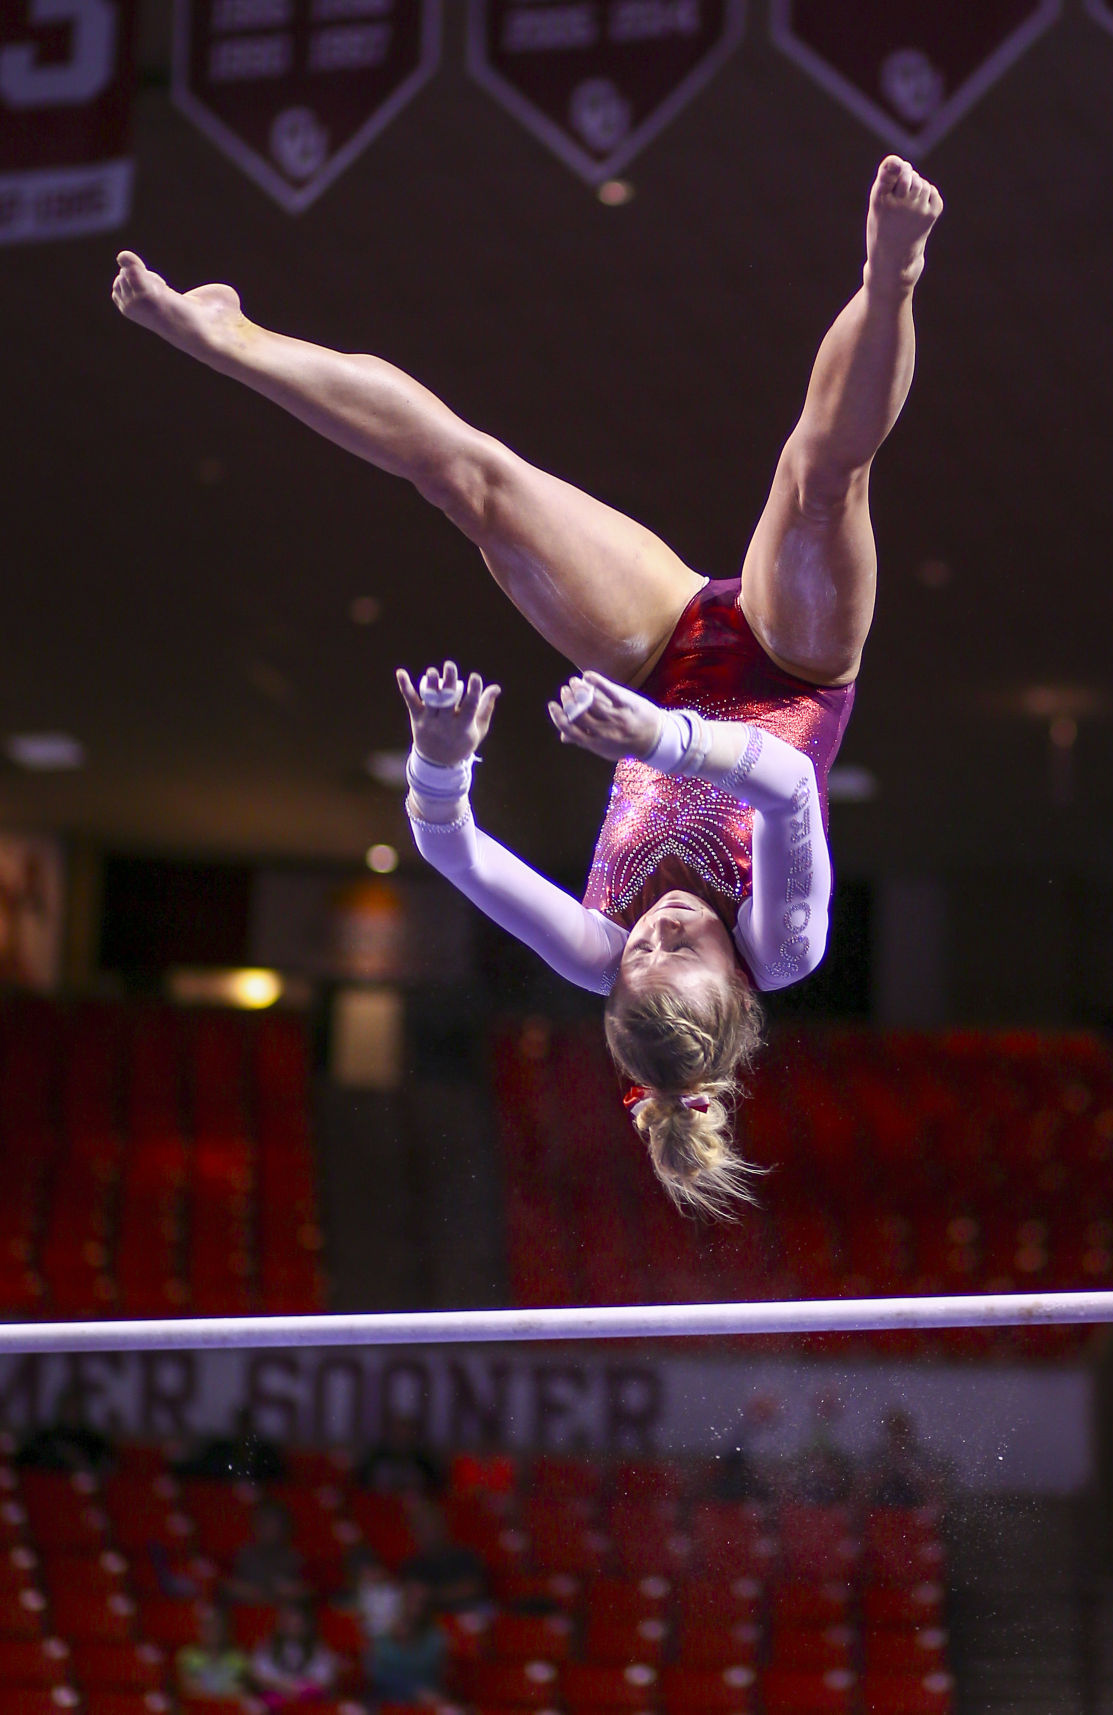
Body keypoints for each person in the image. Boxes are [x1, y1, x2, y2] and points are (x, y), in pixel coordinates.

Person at [111, 157, 942, 1215]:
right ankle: (893, 271)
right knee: (821, 479)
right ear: (737, 989)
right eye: (678, 945)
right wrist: (661, 741)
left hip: (661, 655)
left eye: (641, 946)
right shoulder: (785, 944)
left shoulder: (599, 951)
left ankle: (226, 337)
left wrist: (443, 760)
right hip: (796, 661)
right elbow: (783, 782)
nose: (658, 927)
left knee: (472, 481)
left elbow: (448, 849)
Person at [363, 1577, 447, 1708]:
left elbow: (434, 1674)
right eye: (410, 1600)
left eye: (420, 1602)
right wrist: (413, 1690)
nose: (414, 1607)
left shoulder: (435, 1638)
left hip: (425, 1701)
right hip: (386, 1700)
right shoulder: (383, 1634)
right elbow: (376, 1673)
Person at [249, 1602, 339, 1708]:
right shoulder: (267, 1646)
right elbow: (259, 1675)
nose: (292, 1625)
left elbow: (325, 1679)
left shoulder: (318, 1648)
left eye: (297, 1623)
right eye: (287, 1622)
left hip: (308, 1696)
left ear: (306, 1625)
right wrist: (284, 1686)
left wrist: (300, 1688)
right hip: (276, 1694)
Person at [225, 1500, 310, 1605]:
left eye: (273, 1524)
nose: (269, 1529)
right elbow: (232, 1586)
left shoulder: (294, 1557)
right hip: (250, 1609)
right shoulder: (244, 1555)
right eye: (264, 1523)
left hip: (282, 1610)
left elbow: (303, 1591)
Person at [176, 1601, 251, 1702]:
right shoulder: (188, 1656)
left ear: (225, 1629)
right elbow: (190, 1689)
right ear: (200, 1629)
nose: (212, 1631)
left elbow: (241, 1690)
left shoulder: (238, 1657)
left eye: (217, 1626)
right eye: (208, 1626)